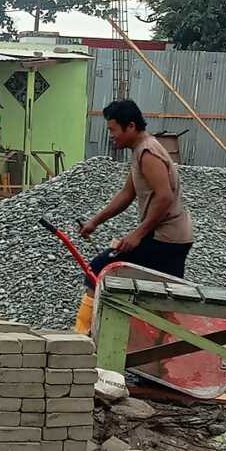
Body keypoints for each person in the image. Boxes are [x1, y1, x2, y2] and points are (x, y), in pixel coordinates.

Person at [74, 99, 194, 334]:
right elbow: (127, 193)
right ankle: (160, 353)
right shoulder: (139, 151)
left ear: (130, 126)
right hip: (171, 237)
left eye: (113, 130)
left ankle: (80, 338)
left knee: (100, 268)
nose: (111, 136)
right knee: (164, 298)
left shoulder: (148, 153)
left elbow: (164, 197)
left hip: (166, 238)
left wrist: (138, 234)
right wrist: (95, 222)